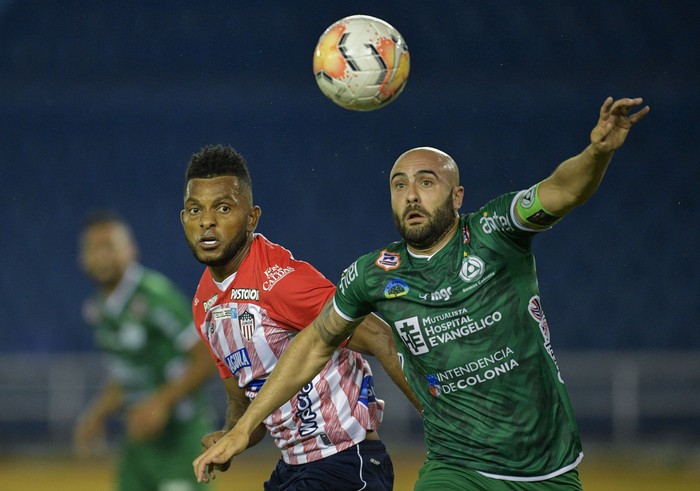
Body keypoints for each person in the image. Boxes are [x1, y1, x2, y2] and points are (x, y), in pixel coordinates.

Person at [192, 97, 650, 489]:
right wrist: (242, 430)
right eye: (400, 185)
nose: (411, 195)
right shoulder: (372, 275)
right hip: (455, 463)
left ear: (457, 196)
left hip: (546, 462)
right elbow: (314, 343)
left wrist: (597, 153)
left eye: (426, 182)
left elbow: (562, 190)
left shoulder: (496, 232)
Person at [180, 144, 421, 490]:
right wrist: (230, 437)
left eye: (223, 208)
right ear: (183, 219)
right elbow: (243, 404)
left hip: (346, 463)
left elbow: (380, 336)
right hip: (294, 467)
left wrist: (438, 419)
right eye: (194, 210)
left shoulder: (279, 280)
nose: (207, 221)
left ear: (252, 218)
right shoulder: (204, 305)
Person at [74, 211, 217, 491]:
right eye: (92, 248)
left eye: (108, 246)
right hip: (139, 443)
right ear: (82, 258)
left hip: (180, 439)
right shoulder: (97, 310)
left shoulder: (155, 296)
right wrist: (97, 414)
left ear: (130, 250)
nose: (100, 256)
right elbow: (127, 373)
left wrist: (161, 403)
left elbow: (205, 357)